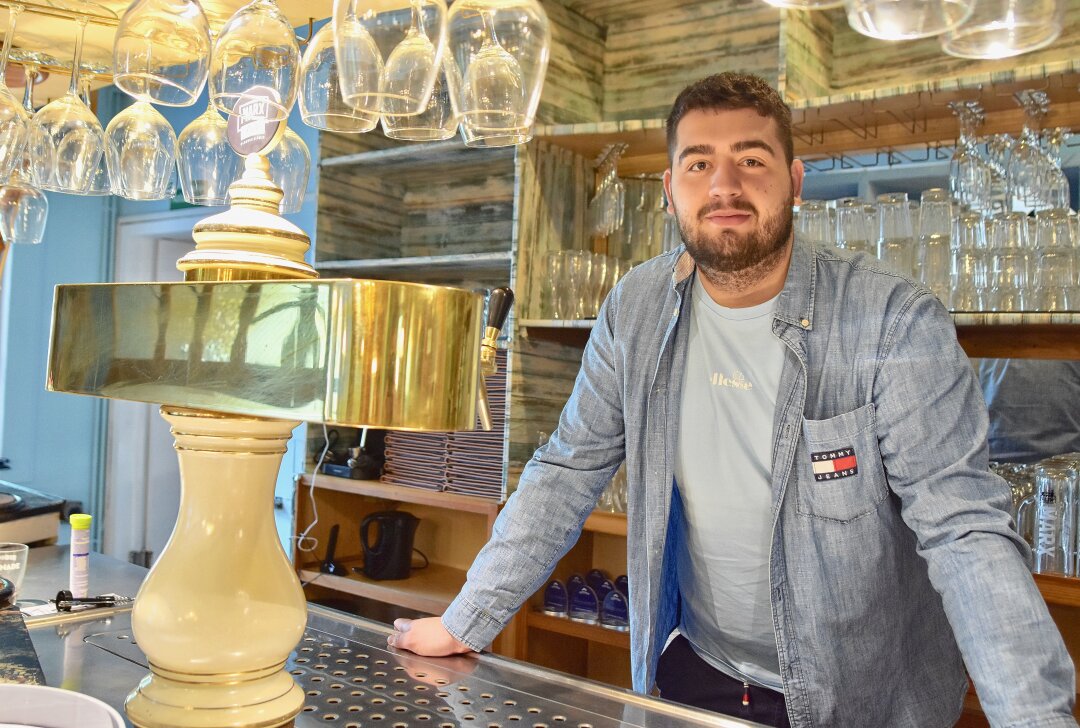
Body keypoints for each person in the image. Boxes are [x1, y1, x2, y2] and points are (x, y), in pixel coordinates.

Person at [388, 72, 1076, 727]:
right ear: (668, 189)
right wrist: (463, 620)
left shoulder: (893, 321)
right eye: (698, 163)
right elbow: (567, 473)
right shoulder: (636, 309)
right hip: (697, 670)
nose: (724, 185)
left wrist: (1033, 718)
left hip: (864, 699)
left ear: (795, 181)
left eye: (751, 160)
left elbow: (963, 530)